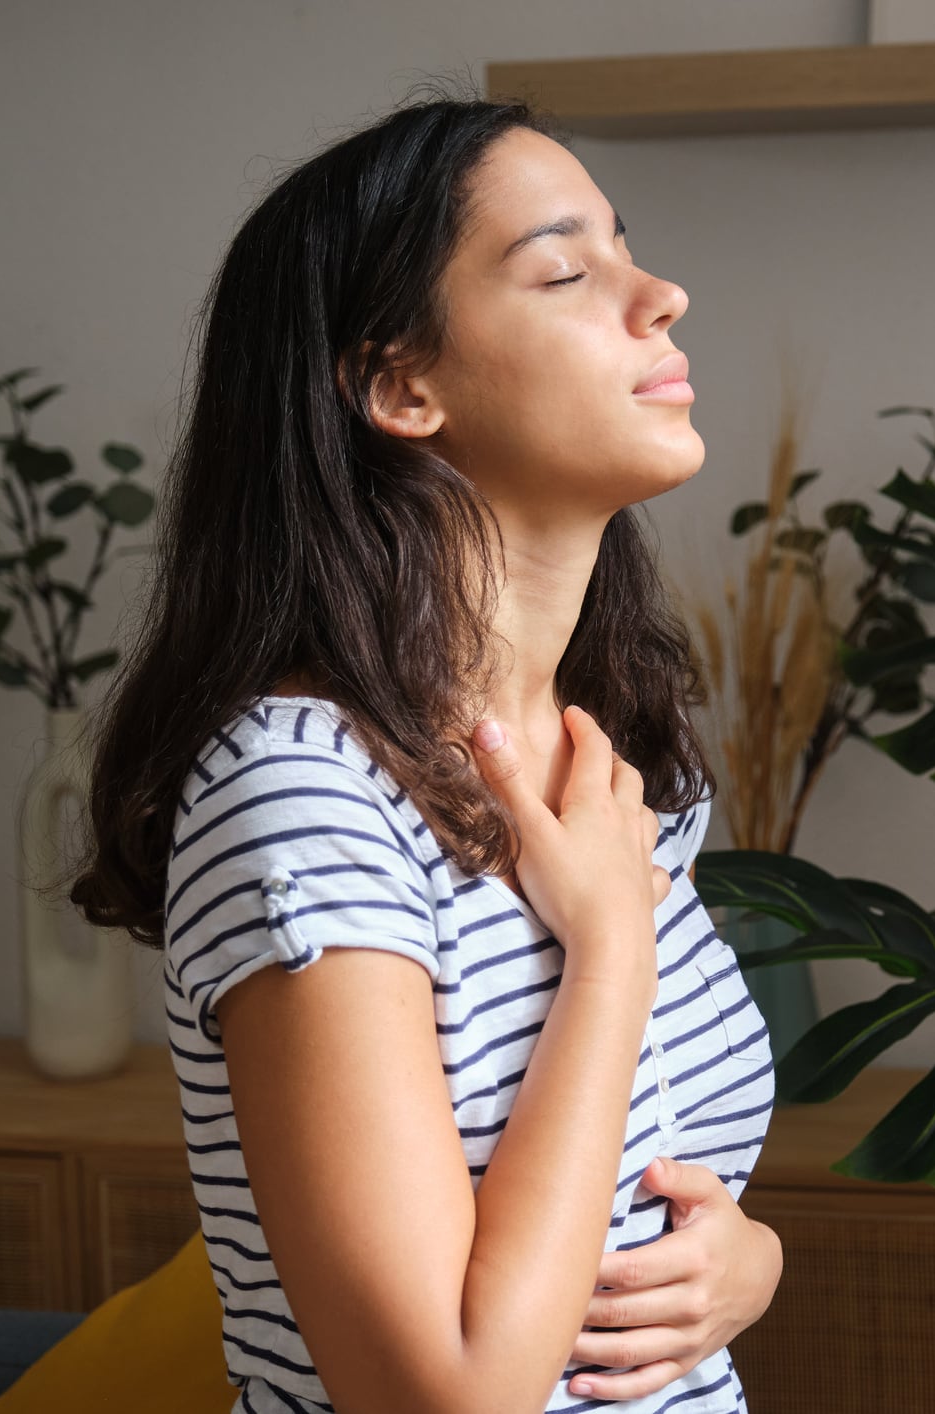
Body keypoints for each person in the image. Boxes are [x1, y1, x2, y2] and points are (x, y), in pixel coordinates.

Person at [67, 81, 781, 1414]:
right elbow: (439, 1394)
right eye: (567, 269)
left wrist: (745, 1264)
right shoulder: (302, 790)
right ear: (399, 384)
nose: (659, 294)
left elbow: (632, 1196)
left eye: (625, 247)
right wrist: (609, 950)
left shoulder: (607, 758)